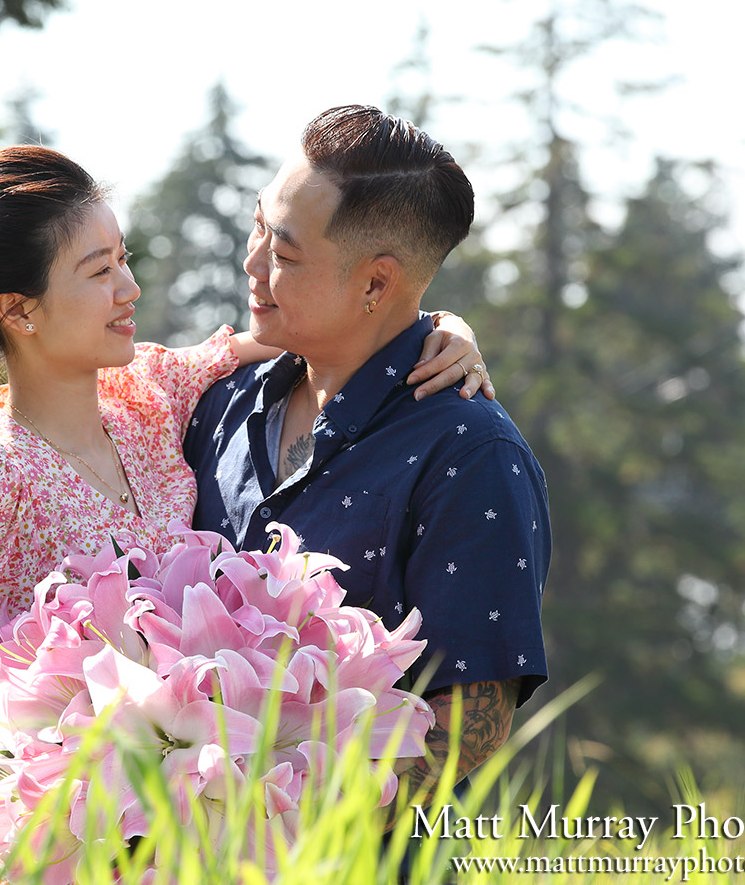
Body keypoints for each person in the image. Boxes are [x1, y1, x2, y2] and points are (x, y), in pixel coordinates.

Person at [0, 145, 493, 777]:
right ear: (19, 310)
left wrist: (444, 326)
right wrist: (64, 818)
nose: (129, 288)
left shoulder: (152, 387)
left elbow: (330, 328)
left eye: (123, 259)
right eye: (99, 271)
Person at [181, 105, 551, 815]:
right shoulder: (220, 400)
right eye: (258, 228)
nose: (252, 263)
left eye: (283, 254)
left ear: (377, 283)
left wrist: (279, 828)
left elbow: (470, 723)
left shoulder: (470, 454)